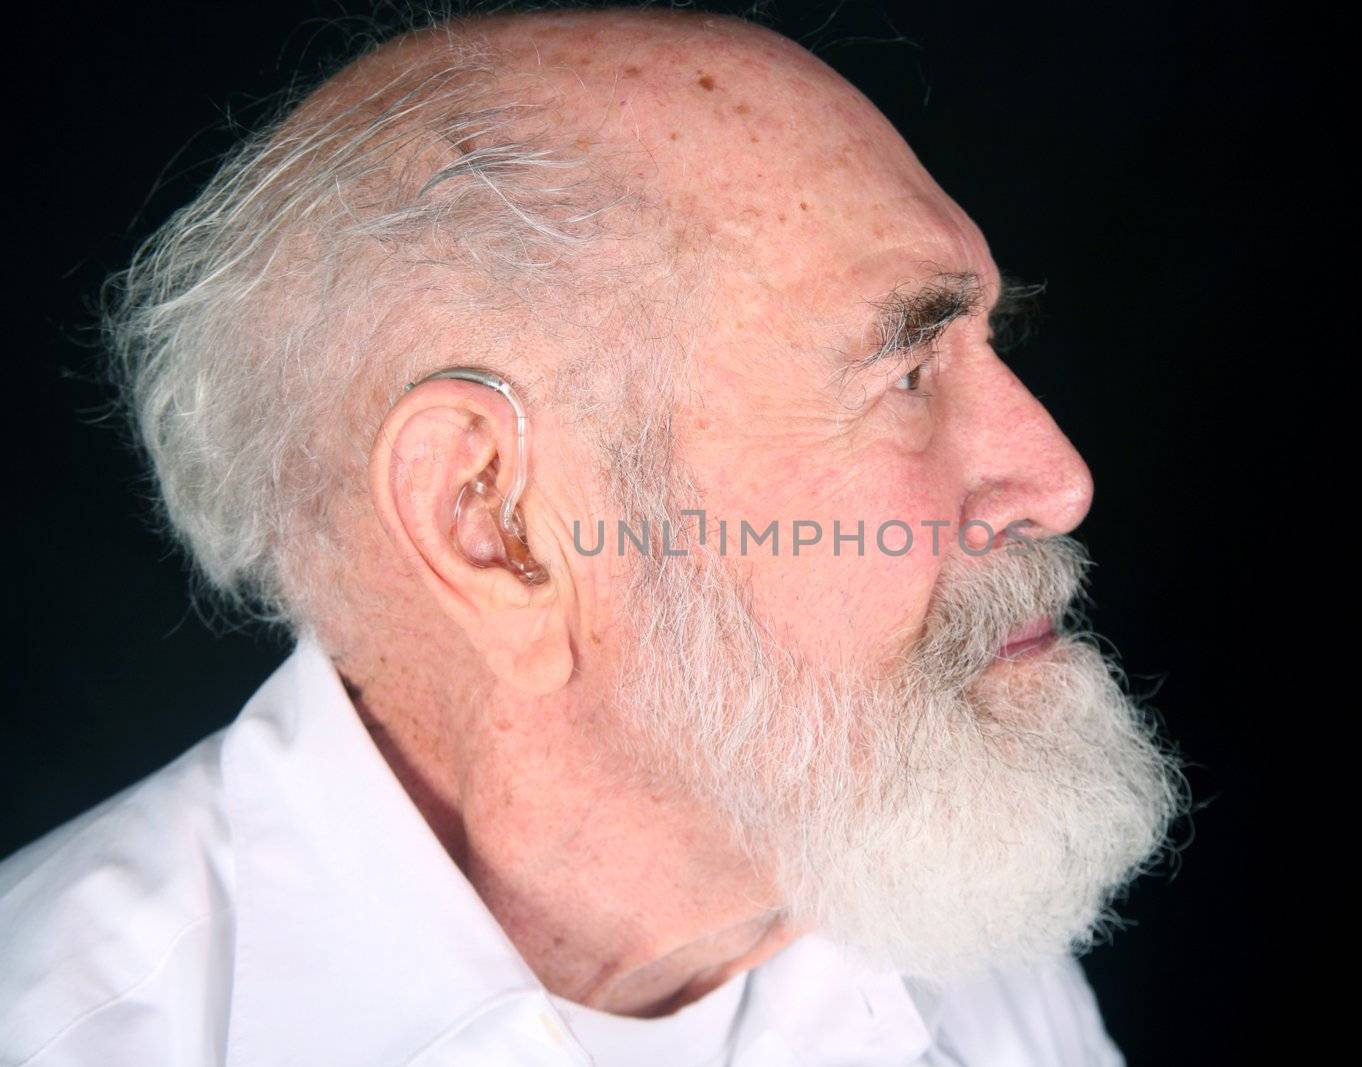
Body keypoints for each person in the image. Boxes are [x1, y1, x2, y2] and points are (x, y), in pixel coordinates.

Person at [0, 5, 1187, 1064]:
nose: (1057, 477)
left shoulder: (948, 937)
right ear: (494, 524)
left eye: (989, 345)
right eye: (908, 370)